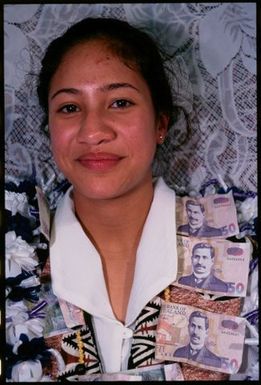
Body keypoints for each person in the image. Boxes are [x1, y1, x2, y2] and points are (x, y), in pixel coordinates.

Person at [36, 17, 179, 377]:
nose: (93, 131)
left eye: (119, 102)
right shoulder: (15, 259)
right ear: (49, 128)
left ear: (160, 123)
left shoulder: (243, 254)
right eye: (69, 107)